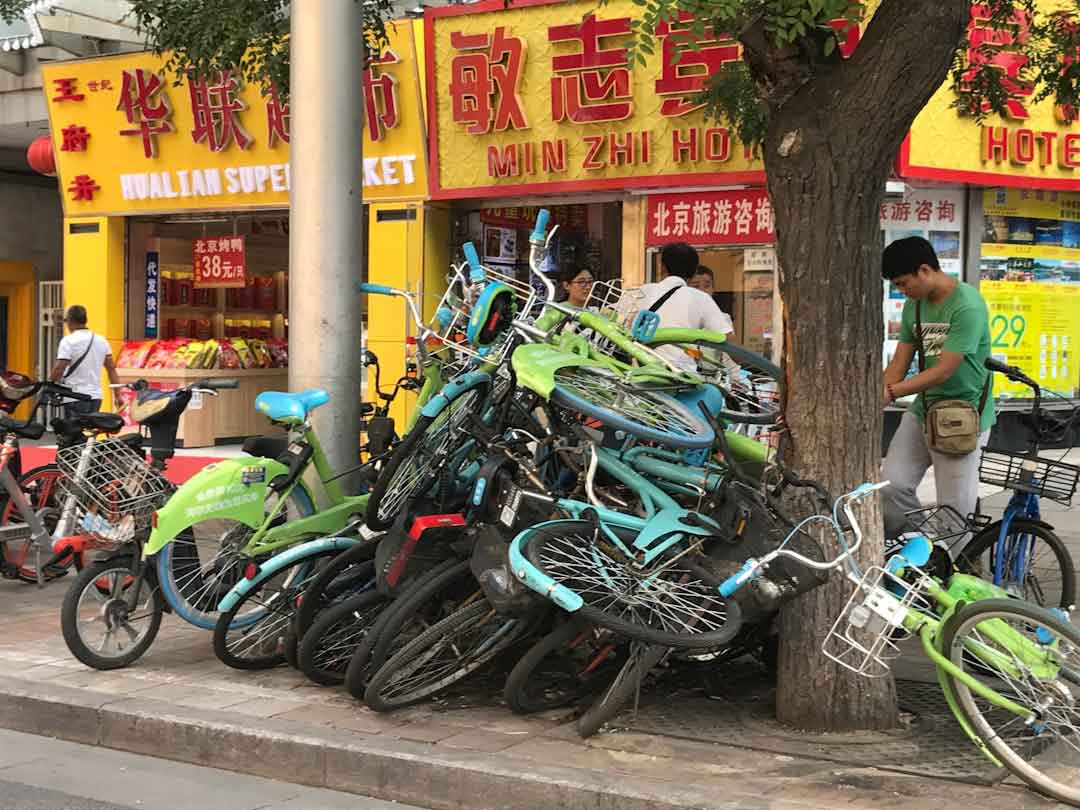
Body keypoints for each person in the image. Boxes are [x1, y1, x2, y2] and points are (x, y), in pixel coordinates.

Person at [881, 236, 995, 540]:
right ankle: (926, 553)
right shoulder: (914, 306)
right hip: (924, 409)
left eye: (904, 283)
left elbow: (945, 370)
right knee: (890, 487)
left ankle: (954, 573)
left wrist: (892, 393)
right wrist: (877, 391)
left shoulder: (967, 305)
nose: (903, 291)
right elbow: (900, 362)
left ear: (924, 270)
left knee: (954, 513)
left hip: (963, 415)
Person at [640, 243, 735, 370]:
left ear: (662, 267)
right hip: (683, 376)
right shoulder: (701, 298)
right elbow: (730, 344)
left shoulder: (640, 292)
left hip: (642, 374)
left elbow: (612, 318)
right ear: (694, 271)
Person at [50, 305, 120, 417]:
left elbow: (60, 368)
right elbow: (111, 369)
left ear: (70, 321)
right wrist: (118, 396)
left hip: (74, 397)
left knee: (73, 431)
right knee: (89, 429)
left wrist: (50, 384)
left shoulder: (68, 341)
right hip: (96, 397)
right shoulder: (101, 341)